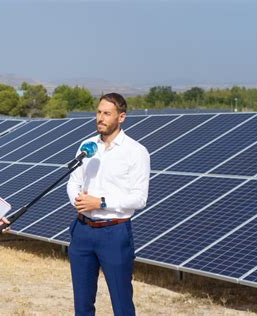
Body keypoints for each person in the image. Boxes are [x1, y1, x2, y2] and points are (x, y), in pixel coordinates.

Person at [66, 93, 150, 315]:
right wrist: (78, 200)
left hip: (114, 233)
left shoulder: (135, 152)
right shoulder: (87, 146)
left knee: (121, 304)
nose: (100, 118)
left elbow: (139, 198)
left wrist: (100, 202)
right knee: (82, 304)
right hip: (82, 231)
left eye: (107, 113)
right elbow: (73, 181)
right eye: (98, 112)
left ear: (121, 117)